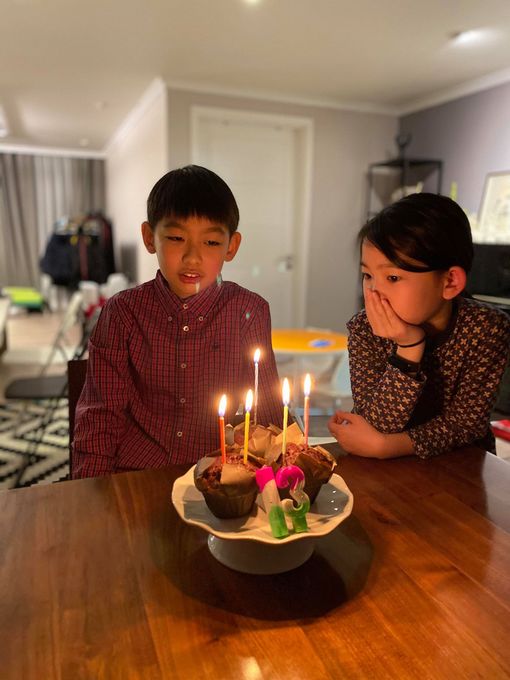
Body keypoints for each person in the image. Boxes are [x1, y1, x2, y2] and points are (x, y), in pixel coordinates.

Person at [72, 165, 282, 478]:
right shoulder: (122, 313)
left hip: (216, 476)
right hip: (135, 474)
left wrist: (280, 480)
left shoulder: (248, 312)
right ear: (149, 238)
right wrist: (91, 490)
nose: (192, 257)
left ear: (232, 246)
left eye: (211, 242)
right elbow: (100, 415)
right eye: (176, 238)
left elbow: (269, 416)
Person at [328, 192, 510, 459]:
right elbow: (375, 424)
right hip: (386, 470)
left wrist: (388, 446)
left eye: (392, 277)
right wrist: (409, 347)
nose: (373, 292)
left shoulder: (486, 328)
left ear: (450, 282)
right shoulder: (365, 329)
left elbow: (465, 425)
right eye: (368, 275)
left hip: (461, 466)